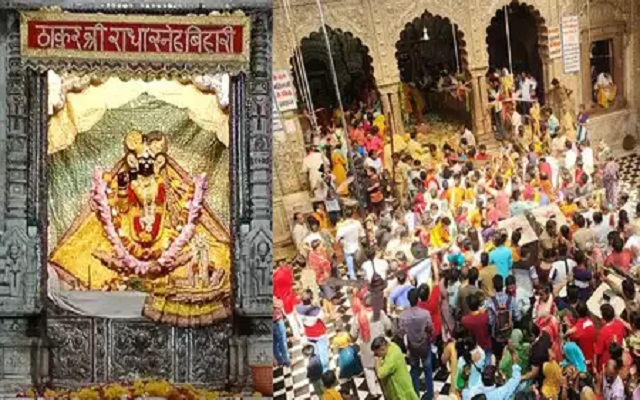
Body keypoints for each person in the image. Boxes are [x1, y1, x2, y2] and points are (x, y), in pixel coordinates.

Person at [398, 288, 435, 399]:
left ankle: (415, 395)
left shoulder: (403, 315)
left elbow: (401, 333)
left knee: (414, 371)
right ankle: (430, 394)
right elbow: (430, 329)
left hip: (412, 346)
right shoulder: (425, 314)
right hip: (424, 345)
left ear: (408, 300)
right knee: (428, 370)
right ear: (418, 299)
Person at [486, 274, 520, 361]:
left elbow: (490, 321)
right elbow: (518, 317)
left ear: (494, 286)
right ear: (503, 285)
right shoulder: (511, 299)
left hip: (496, 336)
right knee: (509, 357)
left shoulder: (490, 301)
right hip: (509, 335)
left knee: (498, 358)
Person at [462, 292, 493, 367]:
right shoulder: (485, 316)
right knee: (488, 368)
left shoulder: (465, 320)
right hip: (486, 345)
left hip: (473, 349)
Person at [595, 304, 627, 370]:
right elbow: (624, 334)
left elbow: (599, 351)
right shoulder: (620, 324)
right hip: (619, 357)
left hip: (607, 361)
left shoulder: (602, 332)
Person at [335, 208, 365, 280]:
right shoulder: (357, 223)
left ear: (345, 216)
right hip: (357, 246)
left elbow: (337, 238)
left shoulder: (343, 226)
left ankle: (353, 278)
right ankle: (362, 276)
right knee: (360, 263)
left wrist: (341, 241)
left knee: (350, 266)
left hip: (347, 247)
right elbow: (362, 234)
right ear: (353, 215)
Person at [273, 296, 291, 367]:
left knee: (274, 344)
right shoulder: (275, 299)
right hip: (277, 322)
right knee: (282, 342)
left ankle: (280, 360)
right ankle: (286, 361)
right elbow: (280, 304)